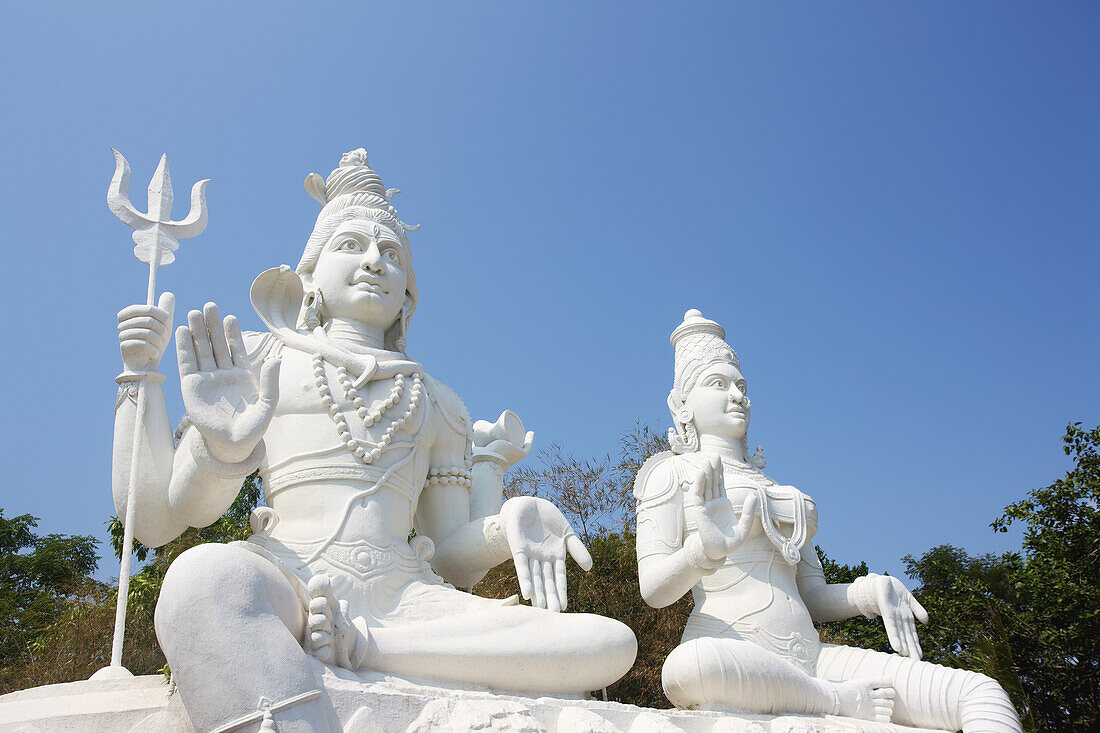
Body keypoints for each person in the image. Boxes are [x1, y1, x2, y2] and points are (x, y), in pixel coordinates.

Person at [113, 150, 636, 733]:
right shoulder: (263, 360)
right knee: (202, 580)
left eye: (392, 254)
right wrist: (210, 436)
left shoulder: (438, 401)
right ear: (309, 277)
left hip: (408, 605)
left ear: (408, 293)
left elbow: (450, 555)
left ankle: (359, 648)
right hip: (289, 581)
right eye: (352, 245)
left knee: (608, 642)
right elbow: (161, 521)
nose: (374, 262)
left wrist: (507, 522)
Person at [634, 309, 1021, 732]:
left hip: (812, 656)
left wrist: (866, 594)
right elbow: (654, 589)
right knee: (687, 668)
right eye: (718, 384)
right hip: (732, 653)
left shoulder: (779, 490)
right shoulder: (671, 475)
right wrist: (701, 551)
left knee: (981, 693)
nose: (738, 395)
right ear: (680, 405)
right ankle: (835, 699)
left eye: (742, 386)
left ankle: (823, 691)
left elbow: (811, 595)